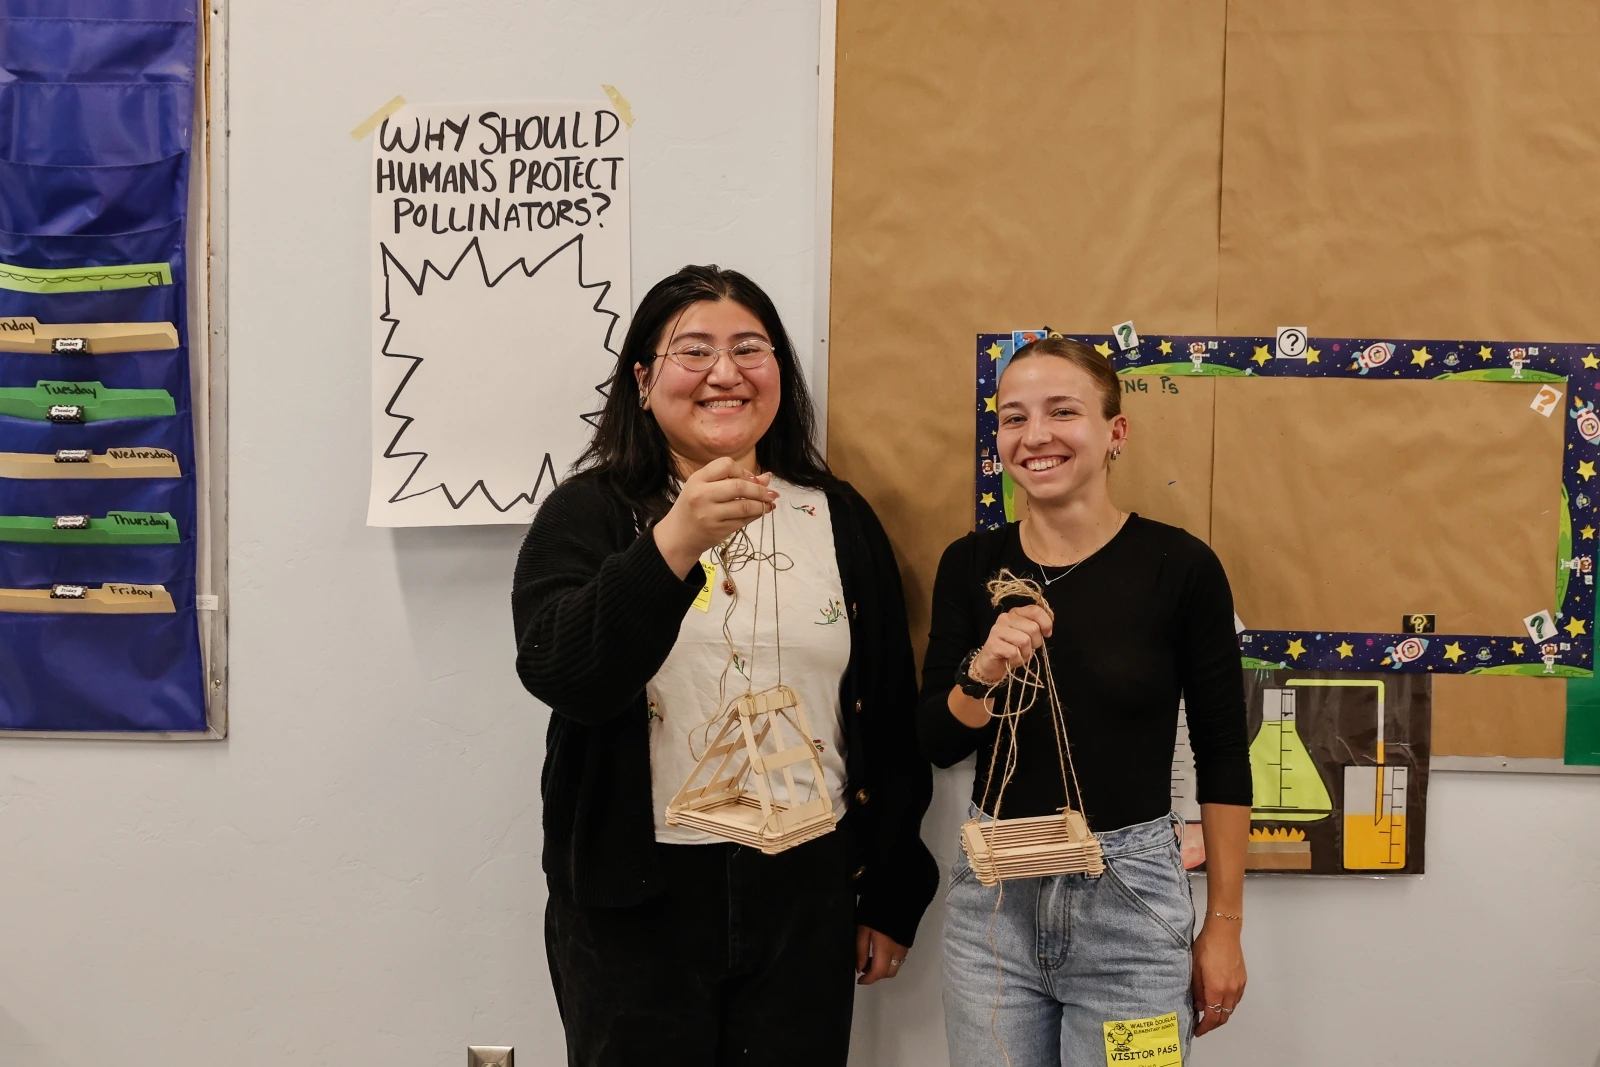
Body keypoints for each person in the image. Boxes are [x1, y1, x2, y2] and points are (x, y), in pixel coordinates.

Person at [512, 264, 938, 1067]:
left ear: (780, 371)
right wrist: (671, 543)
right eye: (694, 351)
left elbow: (884, 712)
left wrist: (889, 888)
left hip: (807, 883)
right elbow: (561, 672)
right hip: (636, 895)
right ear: (642, 380)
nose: (725, 373)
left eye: (750, 348)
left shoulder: (837, 515)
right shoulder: (591, 512)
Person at [919, 336, 1252, 1065]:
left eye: (1061, 411)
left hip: (1132, 907)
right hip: (994, 908)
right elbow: (938, 740)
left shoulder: (1181, 566)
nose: (1034, 435)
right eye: (1013, 418)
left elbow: (1225, 754)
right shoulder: (971, 564)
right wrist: (983, 670)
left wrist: (1223, 923)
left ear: (1115, 432)